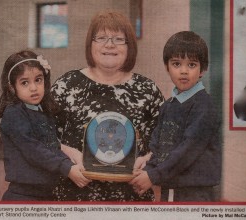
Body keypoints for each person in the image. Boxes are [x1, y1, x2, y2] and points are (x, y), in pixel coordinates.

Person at [50, 10, 164, 201]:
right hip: (73, 197)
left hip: (132, 199)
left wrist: (150, 167)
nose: (109, 45)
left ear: (129, 46)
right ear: (90, 44)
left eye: (119, 39)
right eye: (101, 37)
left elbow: (166, 141)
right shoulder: (66, 85)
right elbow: (41, 137)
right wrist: (67, 161)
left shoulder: (148, 89)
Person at [130, 31, 222, 202]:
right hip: (169, 187)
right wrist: (147, 171)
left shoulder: (204, 106)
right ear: (167, 67)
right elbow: (157, 146)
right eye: (177, 64)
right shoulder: (168, 106)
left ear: (203, 69)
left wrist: (153, 175)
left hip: (195, 193)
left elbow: (186, 152)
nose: (184, 71)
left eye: (192, 65)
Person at [0, 50, 90, 201]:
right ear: (12, 87)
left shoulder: (42, 110)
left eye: (38, 80)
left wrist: (70, 161)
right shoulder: (14, 113)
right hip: (23, 195)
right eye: (24, 82)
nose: (33, 88)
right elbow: (34, 150)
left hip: (45, 194)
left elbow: (51, 145)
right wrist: (66, 167)